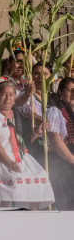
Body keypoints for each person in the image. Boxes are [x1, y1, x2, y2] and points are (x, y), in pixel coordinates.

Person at [0, 81, 54, 209]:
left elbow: (18, 141)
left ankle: (33, 214)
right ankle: (4, 215)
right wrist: (9, 162)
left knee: (40, 176)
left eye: (11, 95)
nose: (8, 99)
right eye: (4, 94)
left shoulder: (14, 114)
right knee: (17, 181)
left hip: (18, 156)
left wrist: (37, 132)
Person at [49, 77, 74, 210]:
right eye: (70, 90)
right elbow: (56, 142)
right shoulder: (55, 112)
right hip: (63, 163)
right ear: (60, 92)